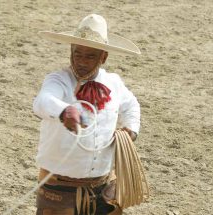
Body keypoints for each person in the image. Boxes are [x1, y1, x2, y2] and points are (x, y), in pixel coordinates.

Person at [33, 14, 141, 215]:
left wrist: (131, 130)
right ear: (70, 52)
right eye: (77, 53)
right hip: (59, 186)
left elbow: (131, 106)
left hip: (103, 186)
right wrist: (64, 110)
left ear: (103, 57)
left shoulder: (114, 83)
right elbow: (43, 101)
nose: (81, 61)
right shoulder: (58, 80)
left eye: (90, 56)